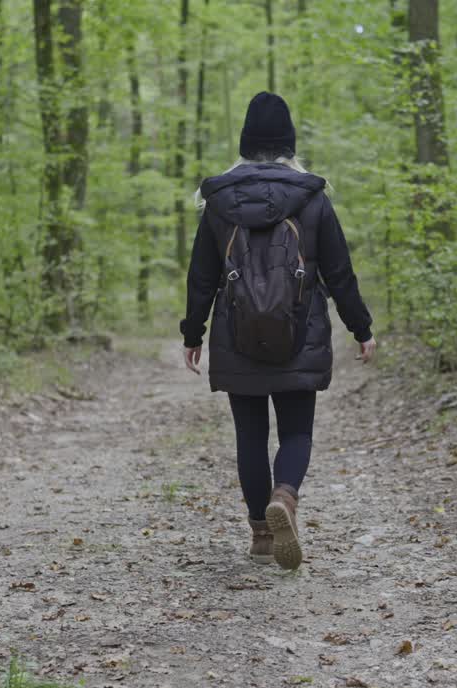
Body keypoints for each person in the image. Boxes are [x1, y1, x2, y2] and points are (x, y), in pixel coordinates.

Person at [180, 91, 375, 571]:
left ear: (245, 143)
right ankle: (284, 497)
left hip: (235, 335)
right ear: (289, 143)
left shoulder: (218, 201)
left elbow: (202, 275)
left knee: (250, 436)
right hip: (299, 333)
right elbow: (340, 272)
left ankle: (261, 535)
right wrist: (361, 327)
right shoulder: (312, 198)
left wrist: (193, 333)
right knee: (296, 432)